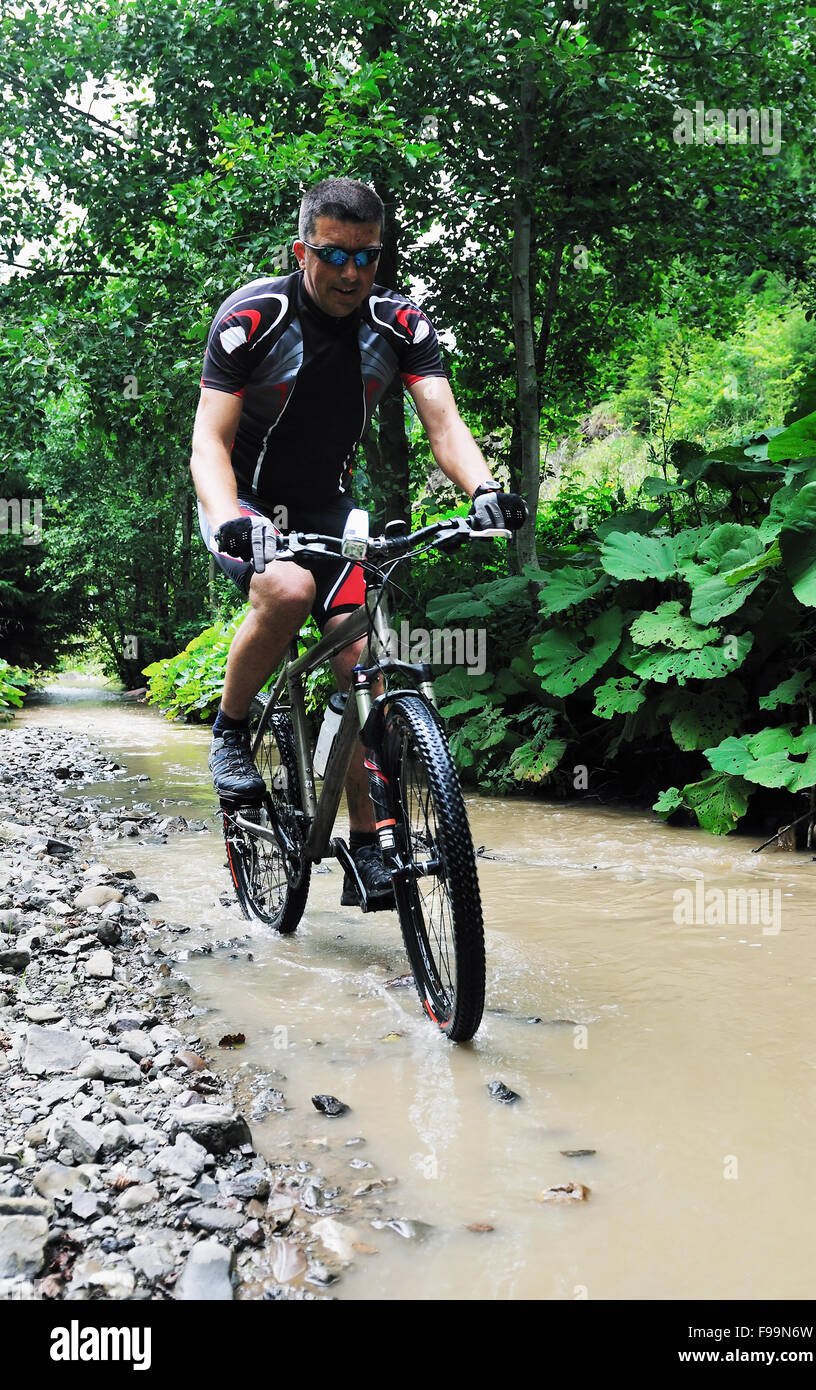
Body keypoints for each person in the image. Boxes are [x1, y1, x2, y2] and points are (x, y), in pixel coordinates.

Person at [190, 177, 527, 909]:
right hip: (244, 502)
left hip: (329, 508)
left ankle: (368, 845)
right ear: (301, 248)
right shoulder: (256, 314)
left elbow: (443, 422)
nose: (350, 273)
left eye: (366, 257)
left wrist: (483, 490)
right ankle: (230, 728)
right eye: (333, 255)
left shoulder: (399, 321)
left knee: (357, 663)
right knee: (287, 589)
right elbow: (207, 443)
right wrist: (229, 519)